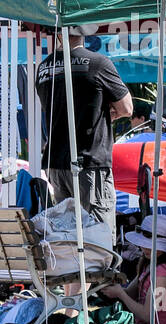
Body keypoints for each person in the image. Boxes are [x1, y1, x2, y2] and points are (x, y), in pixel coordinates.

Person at [35, 27, 132, 225]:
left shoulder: (44, 68)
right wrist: (108, 113)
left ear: (59, 34)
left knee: (68, 233)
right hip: (89, 162)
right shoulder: (98, 63)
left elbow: (52, 108)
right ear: (85, 33)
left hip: (56, 163)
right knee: (98, 235)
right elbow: (127, 107)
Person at [101, 214, 166, 324]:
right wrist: (109, 287)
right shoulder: (148, 264)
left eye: (149, 244)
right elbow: (129, 293)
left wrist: (120, 294)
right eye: (144, 243)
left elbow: (147, 315)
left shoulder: (163, 272)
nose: (144, 248)